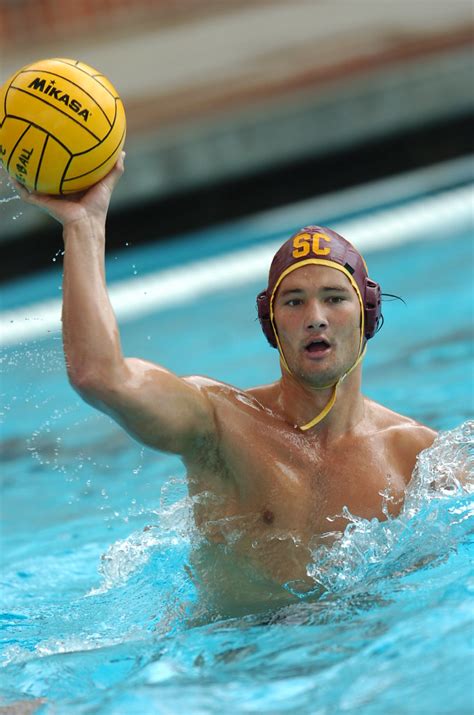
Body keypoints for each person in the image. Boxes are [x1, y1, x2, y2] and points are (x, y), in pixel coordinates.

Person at [15, 155, 437, 619]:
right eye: (294, 301)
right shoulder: (218, 423)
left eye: (334, 298)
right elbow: (100, 376)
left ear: (367, 315)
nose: (315, 317)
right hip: (235, 661)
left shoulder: (418, 458)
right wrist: (85, 226)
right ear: (271, 324)